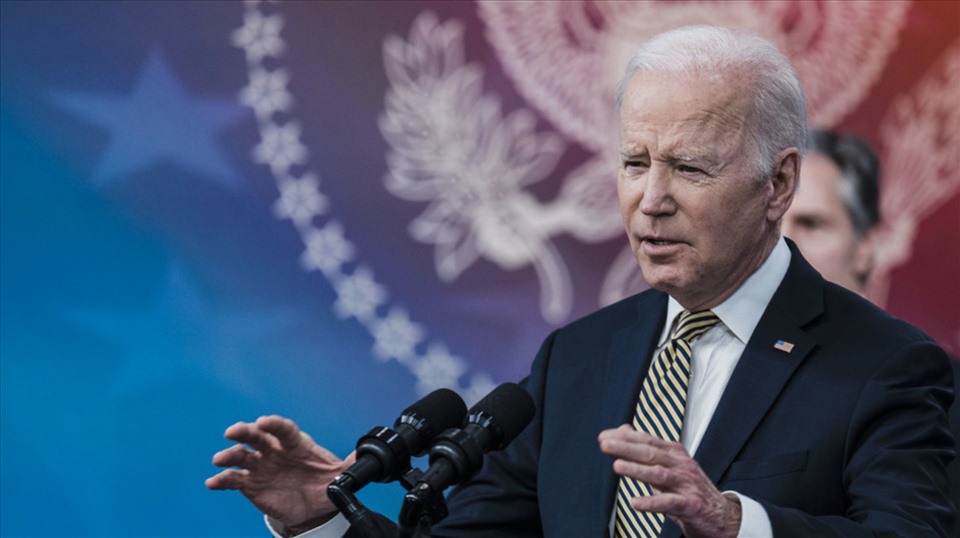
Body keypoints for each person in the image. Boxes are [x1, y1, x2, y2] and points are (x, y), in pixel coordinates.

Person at [206, 26, 955, 537]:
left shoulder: (887, 368)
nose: (650, 199)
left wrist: (734, 523)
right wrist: (324, 520)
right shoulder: (578, 360)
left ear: (778, 184)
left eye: (690, 167)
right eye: (635, 163)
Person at [783, 127, 960, 527]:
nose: (784, 244)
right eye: (771, 222)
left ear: (866, 245)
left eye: (810, 223)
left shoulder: (947, 394)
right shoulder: (711, 371)